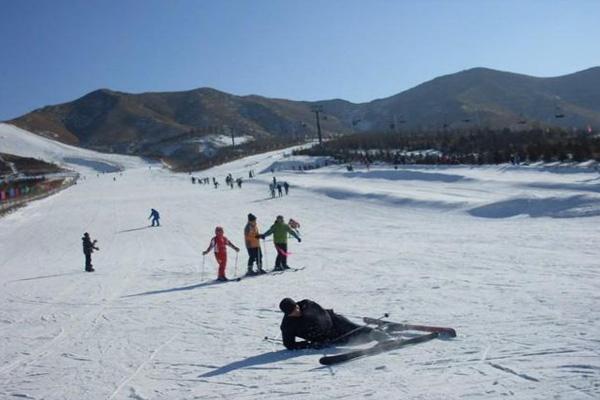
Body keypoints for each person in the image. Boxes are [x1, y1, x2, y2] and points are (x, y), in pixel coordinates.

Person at [279, 298, 387, 350]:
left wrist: (322, 332)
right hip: (329, 338)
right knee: (352, 340)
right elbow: (289, 344)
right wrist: (309, 344)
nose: (297, 312)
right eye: (293, 312)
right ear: (287, 314)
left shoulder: (307, 305)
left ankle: (380, 335)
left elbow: (324, 318)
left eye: (297, 308)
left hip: (334, 321)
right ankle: (373, 335)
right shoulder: (287, 326)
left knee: (354, 329)